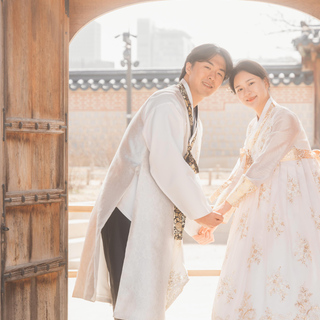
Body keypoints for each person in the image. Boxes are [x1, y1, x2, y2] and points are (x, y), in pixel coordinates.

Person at [72, 44, 233, 320]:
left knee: (145, 300)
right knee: (134, 302)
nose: (213, 77)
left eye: (220, 73)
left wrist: (198, 221)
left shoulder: (191, 113)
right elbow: (167, 164)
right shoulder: (166, 103)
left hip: (150, 213)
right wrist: (201, 214)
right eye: (207, 67)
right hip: (130, 210)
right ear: (189, 67)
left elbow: (185, 172)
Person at [209, 60, 320, 319]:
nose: (247, 92)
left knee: (293, 257)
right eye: (239, 89)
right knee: (262, 259)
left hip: (294, 199)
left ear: (266, 82)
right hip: (263, 198)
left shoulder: (284, 117)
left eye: (251, 84)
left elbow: (261, 166)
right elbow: (243, 167)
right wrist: (217, 210)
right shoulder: (253, 125)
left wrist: (226, 207)